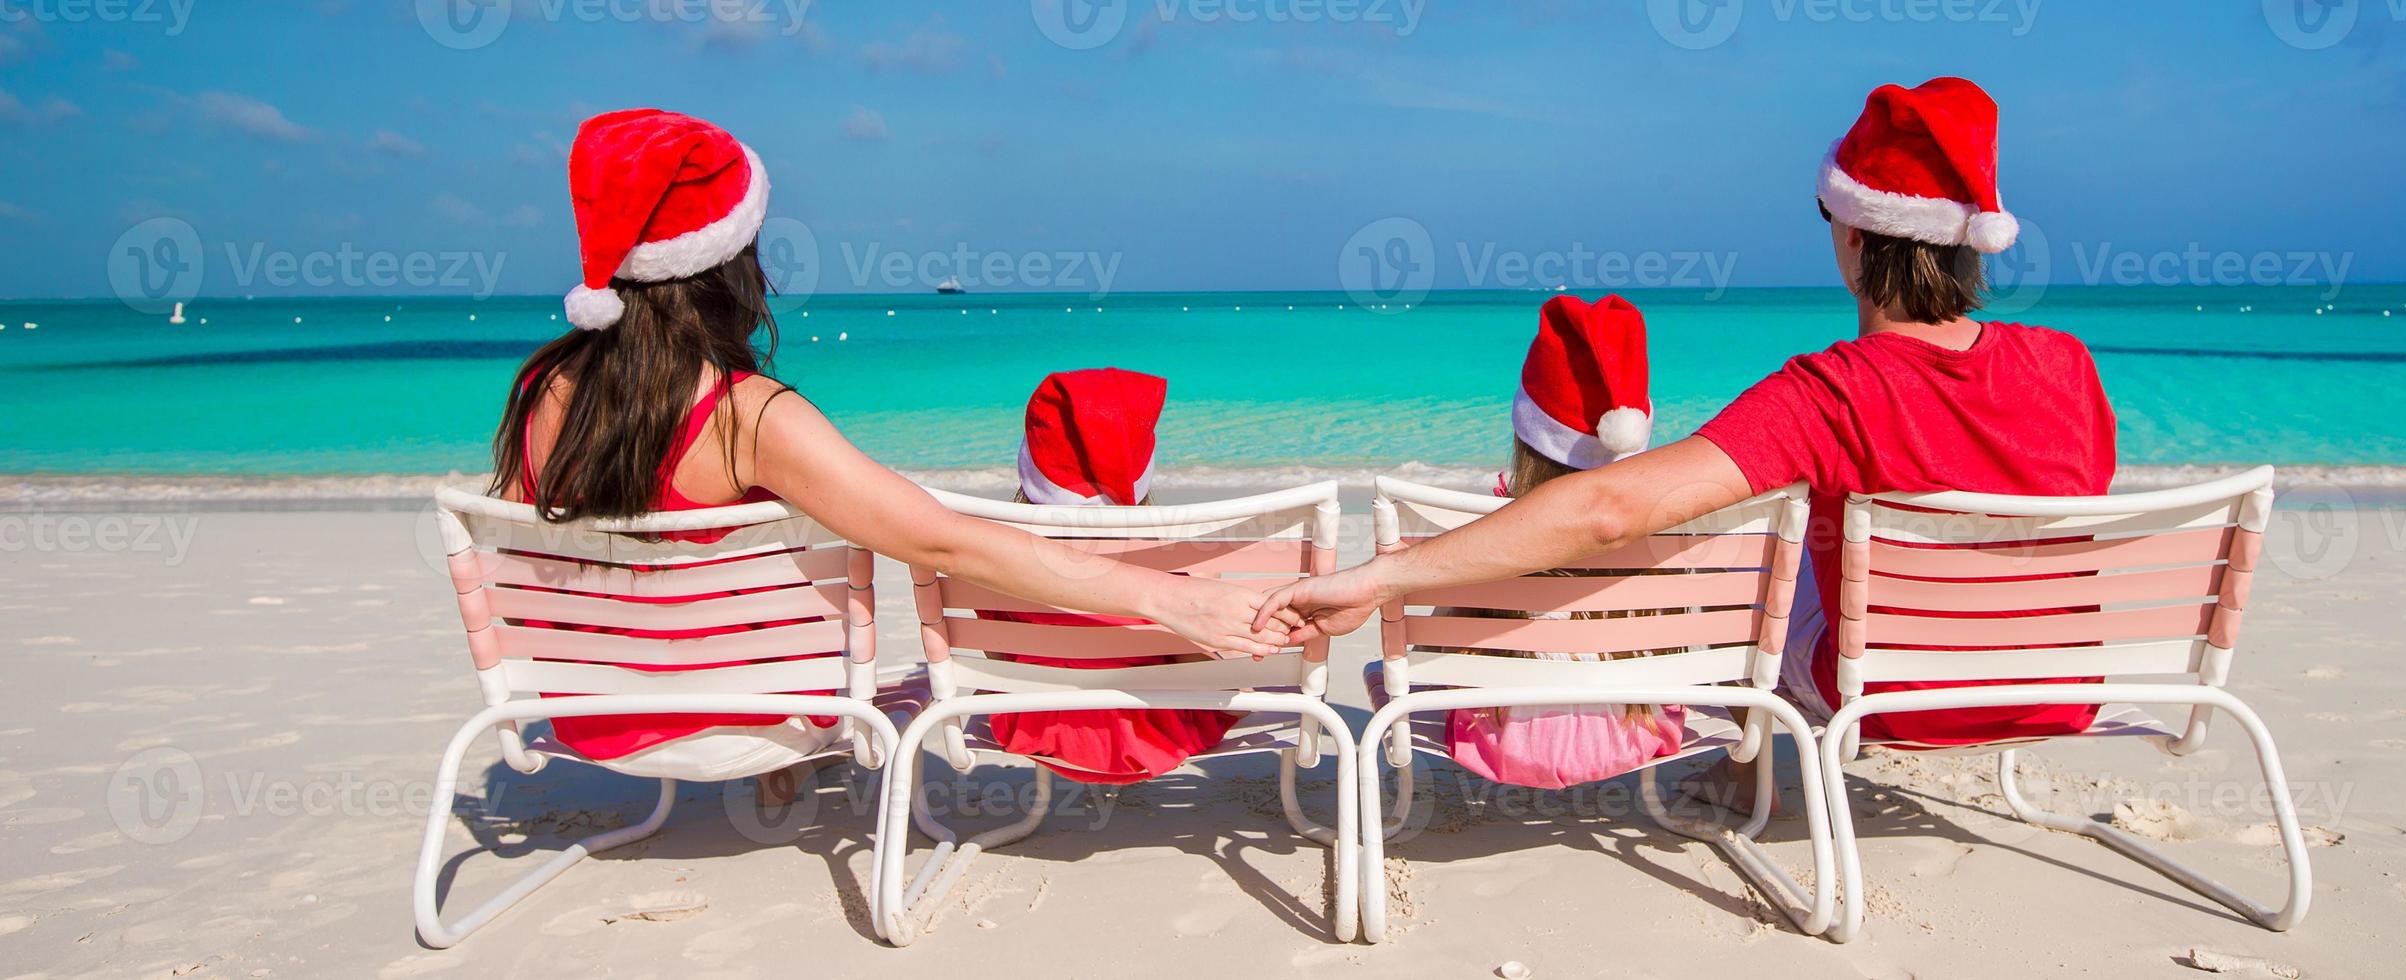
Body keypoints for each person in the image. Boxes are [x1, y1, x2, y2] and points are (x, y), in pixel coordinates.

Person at [1258, 77, 2117, 813]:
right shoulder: (2069, 366)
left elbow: (1610, 507)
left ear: (1854, 231)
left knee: (1762, 566)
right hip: (2055, 685)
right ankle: (1743, 773)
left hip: (1893, 698)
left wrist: (1382, 574)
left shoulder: (1828, 392)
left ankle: (1748, 782)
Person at [497, 109, 1295, 802]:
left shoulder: (539, 389)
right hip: (749, 719)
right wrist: (1170, 599)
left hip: (594, 713)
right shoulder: (751, 418)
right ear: (726, 261)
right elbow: (942, 541)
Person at [1419, 294, 1690, 791]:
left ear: (1527, 435)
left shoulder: (1495, 528)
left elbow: (1434, 645)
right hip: (1633, 736)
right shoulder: (1660, 530)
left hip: (1503, 744)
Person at [981, 368, 1245, 784]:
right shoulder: (1155, 569)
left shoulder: (995, 563)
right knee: (1228, 686)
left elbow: (999, 659)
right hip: (1149, 738)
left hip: (1035, 729)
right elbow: (1193, 668)